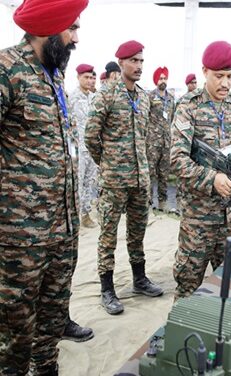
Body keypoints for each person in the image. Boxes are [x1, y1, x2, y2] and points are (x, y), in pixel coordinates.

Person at [0, 0, 90, 374]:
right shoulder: (8, 69)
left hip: (62, 230)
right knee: (15, 332)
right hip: (21, 236)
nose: (76, 38)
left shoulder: (53, 72)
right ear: (50, 26)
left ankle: (47, 367)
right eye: (72, 28)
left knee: (52, 318)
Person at [170, 41, 231, 299]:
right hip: (197, 220)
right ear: (204, 72)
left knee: (229, 289)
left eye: (229, 76)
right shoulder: (188, 106)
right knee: (187, 288)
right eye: (218, 76)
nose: (225, 83)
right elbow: (177, 160)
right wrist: (211, 178)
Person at [85, 40, 163, 315]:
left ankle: (139, 279)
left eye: (141, 60)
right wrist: (107, 164)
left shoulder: (143, 97)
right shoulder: (106, 95)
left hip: (140, 181)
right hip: (114, 181)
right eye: (133, 60)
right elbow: (91, 137)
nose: (139, 66)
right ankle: (107, 288)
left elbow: (146, 137)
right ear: (121, 63)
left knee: (137, 233)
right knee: (108, 235)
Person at [69, 63, 98, 229]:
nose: (89, 81)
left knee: (89, 182)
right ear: (78, 77)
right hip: (78, 149)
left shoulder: (92, 98)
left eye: (91, 77)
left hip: (91, 148)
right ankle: (76, 215)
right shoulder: (72, 97)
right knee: (78, 182)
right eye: (85, 77)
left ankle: (86, 214)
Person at [147, 66, 177, 213]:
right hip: (152, 142)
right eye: (160, 78)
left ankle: (162, 202)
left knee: (164, 174)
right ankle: (147, 202)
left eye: (165, 78)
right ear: (156, 80)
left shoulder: (171, 99)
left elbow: (172, 119)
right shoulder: (150, 97)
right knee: (150, 173)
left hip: (166, 142)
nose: (163, 81)